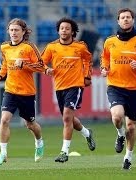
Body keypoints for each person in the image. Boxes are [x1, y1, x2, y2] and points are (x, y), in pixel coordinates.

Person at [100, 8, 136, 170]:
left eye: (128, 17)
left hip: (134, 89)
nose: (125, 20)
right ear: (118, 21)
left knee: (132, 126)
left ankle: (128, 157)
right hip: (115, 86)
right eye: (122, 17)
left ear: (133, 20)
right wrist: (104, 68)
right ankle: (120, 134)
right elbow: (105, 58)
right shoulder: (109, 42)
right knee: (117, 116)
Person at [41, 17, 96, 163]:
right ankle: (86, 133)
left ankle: (64, 152)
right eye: (61, 28)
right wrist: (46, 69)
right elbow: (41, 63)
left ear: (72, 31)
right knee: (69, 119)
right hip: (59, 86)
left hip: (75, 85)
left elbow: (88, 60)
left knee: (66, 117)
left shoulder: (80, 47)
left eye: (67, 28)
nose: (64, 30)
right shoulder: (52, 47)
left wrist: (87, 76)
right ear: (58, 31)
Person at [0, 18, 46, 165]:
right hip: (10, 90)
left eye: (17, 30)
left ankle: (39, 142)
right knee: (4, 120)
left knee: (30, 124)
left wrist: (25, 64)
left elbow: (41, 66)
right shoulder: (4, 47)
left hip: (27, 92)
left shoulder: (29, 47)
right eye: (11, 30)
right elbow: (5, 65)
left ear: (23, 32)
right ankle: (3, 154)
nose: (14, 33)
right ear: (8, 31)